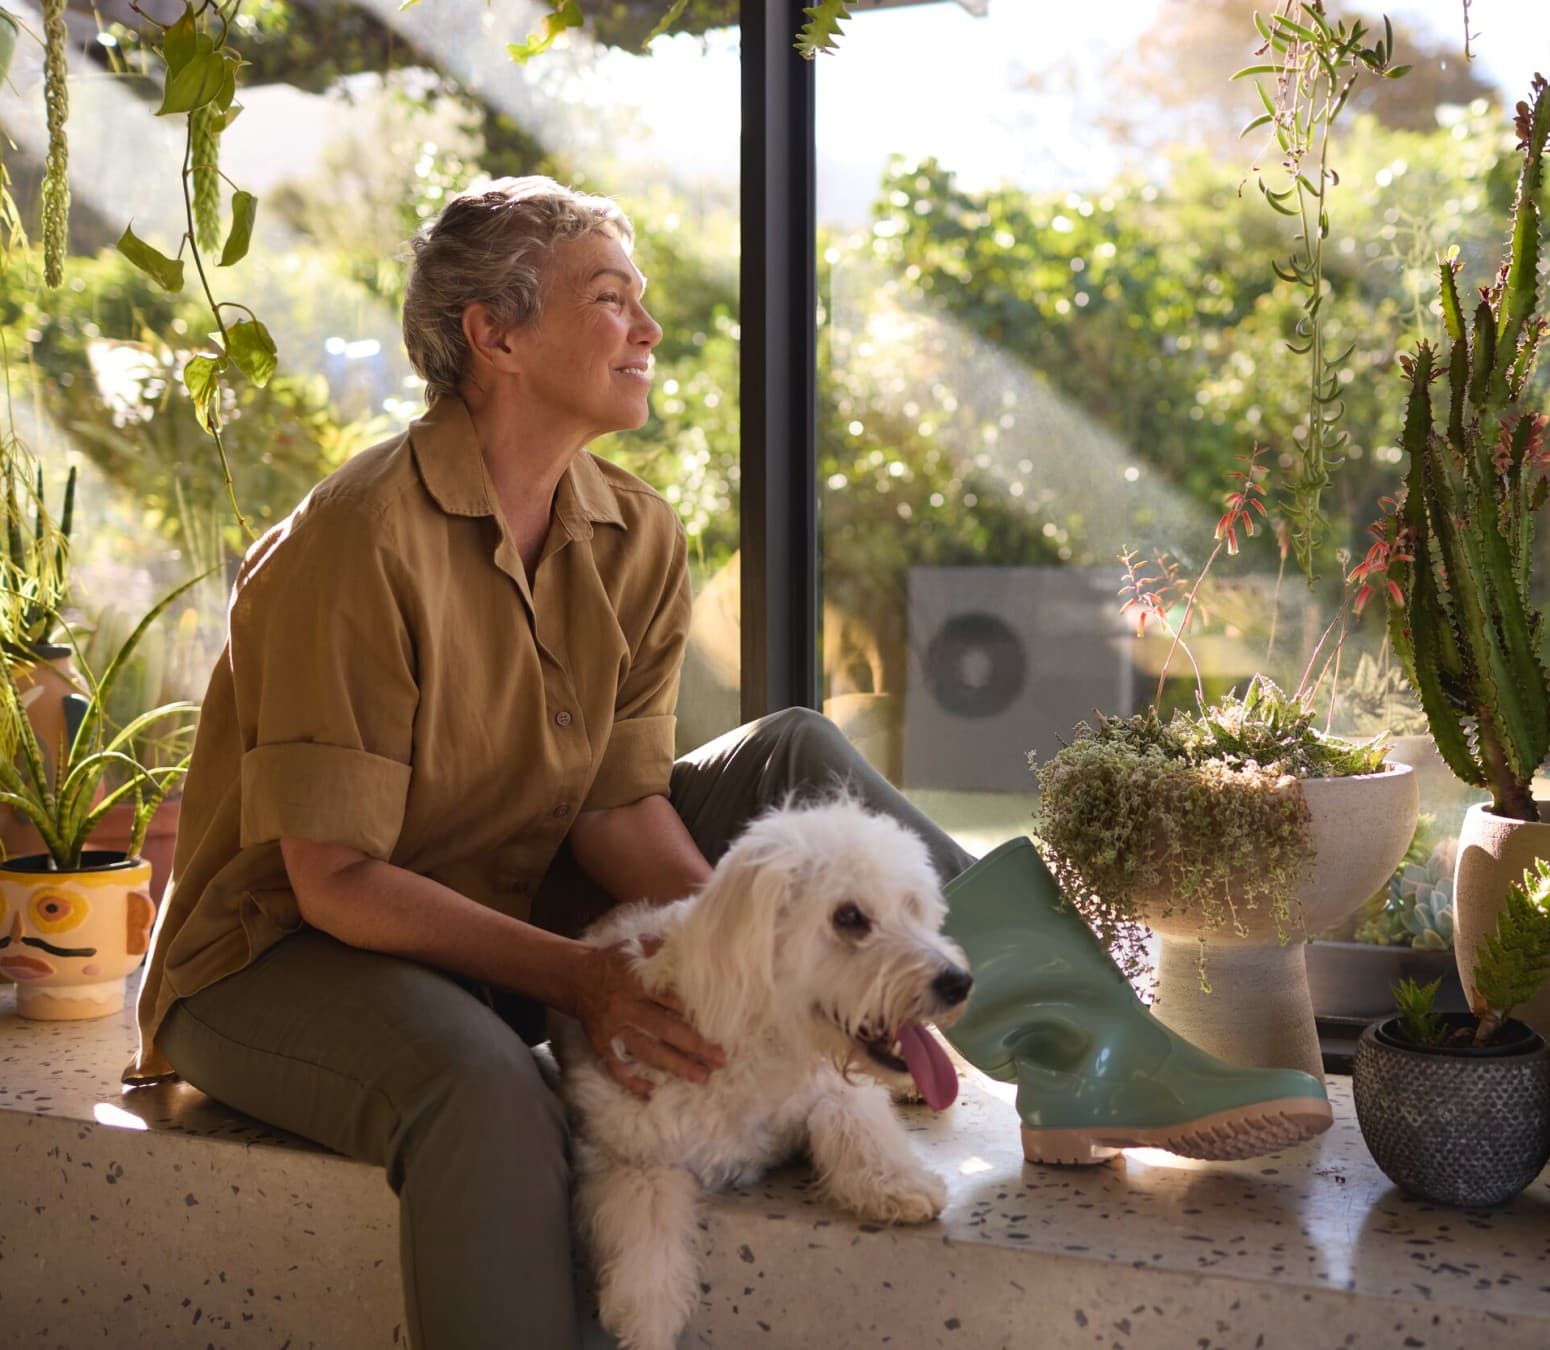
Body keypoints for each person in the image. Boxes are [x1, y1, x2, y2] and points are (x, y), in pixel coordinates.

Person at [126, 177, 1329, 1350]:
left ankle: (1075, 1049)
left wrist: (733, 952)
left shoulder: (634, 530)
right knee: (487, 1096)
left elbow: (615, 806)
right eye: (610, 298)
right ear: (493, 334)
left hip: (504, 889)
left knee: (789, 752)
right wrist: (589, 980)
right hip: (284, 954)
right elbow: (334, 877)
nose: (649, 327)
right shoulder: (355, 540)